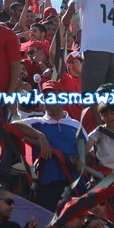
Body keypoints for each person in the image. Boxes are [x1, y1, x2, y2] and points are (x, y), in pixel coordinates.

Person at [62, 0, 114, 124]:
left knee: (92, 92)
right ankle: (113, 127)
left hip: (95, 47)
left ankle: (101, 127)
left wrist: (63, 19)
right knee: (109, 93)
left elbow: (66, 17)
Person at [19, 82, 87, 212]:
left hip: (75, 187)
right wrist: (40, 136)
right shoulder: (37, 122)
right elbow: (14, 125)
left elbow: (90, 155)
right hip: (47, 187)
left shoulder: (76, 125)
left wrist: (82, 160)